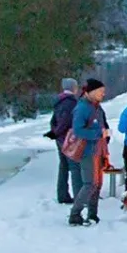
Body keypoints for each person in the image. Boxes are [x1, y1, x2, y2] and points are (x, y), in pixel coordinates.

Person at [67, 79, 110, 227]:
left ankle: (92, 214)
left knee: (97, 184)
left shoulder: (97, 107)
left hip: (99, 150)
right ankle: (75, 214)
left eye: (103, 92)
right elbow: (78, 130)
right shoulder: (82, 108)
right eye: (100, 92)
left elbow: (103, 124)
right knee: (90, 184)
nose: (102, 94)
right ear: (89, 92)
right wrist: (99, 133)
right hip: (88, 151)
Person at [46, 77, 81, 205]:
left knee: (63, 166)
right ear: (73, 88)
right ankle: (79, 197)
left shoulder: (59, 101)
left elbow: (53, 121)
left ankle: (62, 194)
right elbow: (66, 121)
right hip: (68, 139)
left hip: (60, 139)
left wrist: (55, 132)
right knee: (75, 167)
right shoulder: (70, 103)